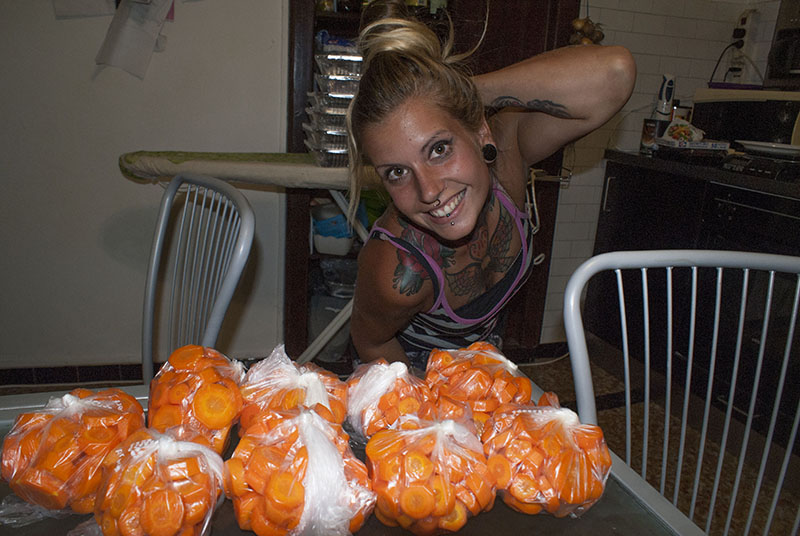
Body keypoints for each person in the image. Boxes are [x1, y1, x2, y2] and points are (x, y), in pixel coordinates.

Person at [345, 0, 635, 369]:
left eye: (439, 149)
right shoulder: (398, 267)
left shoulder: (507, 156)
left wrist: (458, 91)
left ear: (481, 131)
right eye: (397, 172)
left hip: (479, 372)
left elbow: (615, 72)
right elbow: (372, 342)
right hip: (406, 380)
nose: (429, 191)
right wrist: (433, 406)